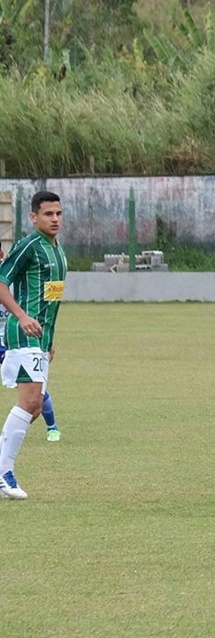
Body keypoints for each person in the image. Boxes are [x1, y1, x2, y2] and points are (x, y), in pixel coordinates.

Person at [0, 191, 68, 500]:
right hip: (23, 332)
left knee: (36, 407)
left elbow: (51, 298)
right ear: (33, 217)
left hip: (41, 339)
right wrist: (21, 315)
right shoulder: (28, 245)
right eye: (48, 214)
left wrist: (50, 340)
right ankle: (3, 474)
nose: (54, 219)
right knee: (28, 403)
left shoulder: (58, 250)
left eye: (58, 213)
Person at [0, 244, 61, 443]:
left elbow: (48, 305)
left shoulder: (15, 274)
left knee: (34, 392)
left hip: (18, 340)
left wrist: (48, 341)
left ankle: (52, 426)